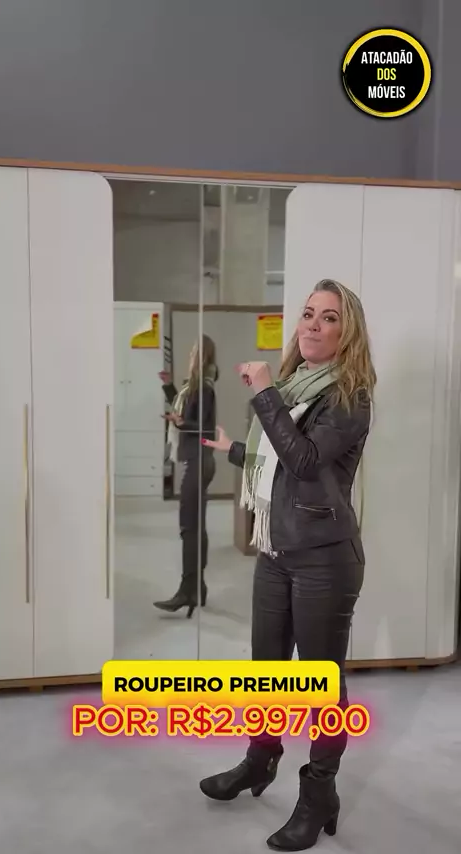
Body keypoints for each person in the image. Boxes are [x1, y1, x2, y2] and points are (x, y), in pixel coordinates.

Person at [198, 280, 376, 851]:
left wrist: (264, 394)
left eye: (329, 317)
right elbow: (275, 459)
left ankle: (319, 793)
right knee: (269, 673)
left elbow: (303, 460)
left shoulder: (349, 395)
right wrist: (234, 449)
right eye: (308, 313)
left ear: (347, 333)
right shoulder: (298, 386)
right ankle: (260, 759)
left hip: (325, 559)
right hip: (277, 552)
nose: (313, 325)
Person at [153, 335, 218, 619]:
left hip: (199, 460)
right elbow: (185, 411)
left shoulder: (204, 387)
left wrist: (180, 422)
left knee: (189, 527)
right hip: (198, 459)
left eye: (193, 352)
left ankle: (187, 590)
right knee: (194, 526)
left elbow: (202, 426)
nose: (190, 356)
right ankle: (197, 587)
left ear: (201, 356)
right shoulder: (195, 386)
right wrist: (169, 386)